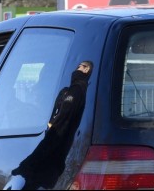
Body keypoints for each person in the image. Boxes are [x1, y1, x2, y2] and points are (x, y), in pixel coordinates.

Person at [5, 61, 93, 190]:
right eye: (78, 65)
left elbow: (59, 130)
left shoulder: (77, 91)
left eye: (83, 66)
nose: (79, 67)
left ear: (86, 71)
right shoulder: (67, 92)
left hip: (48, 165)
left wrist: (27, 165)